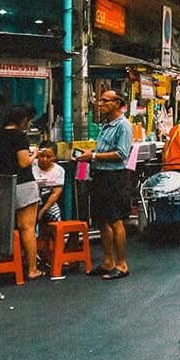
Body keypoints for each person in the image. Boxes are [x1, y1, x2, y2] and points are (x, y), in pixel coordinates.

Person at [76, 90, 133, 279]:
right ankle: (108, 261)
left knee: (116, 220)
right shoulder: (106, 125)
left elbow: (121, 154)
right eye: (100, 100)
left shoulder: (123, 126)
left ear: (117, 103)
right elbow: (104, 149)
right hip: (100, 174)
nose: (100, 104)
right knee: (102, 219)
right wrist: (91, 154)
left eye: (105, 100)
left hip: (115, 177)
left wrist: (92, 156)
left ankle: (121, 264)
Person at [0, 103, 45, 281]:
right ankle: (32, 269)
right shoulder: (20, 136)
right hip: (23, 184)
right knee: (27, 227)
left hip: (1, 184)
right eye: (28, 121)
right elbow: (24, 163)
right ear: (23, 120)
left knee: (3, 226)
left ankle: (0, 264)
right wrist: (35, 154)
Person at [32, 141, 65, 225]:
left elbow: (55, 194)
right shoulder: (31, 165)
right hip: (31, 201)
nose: (44, 159)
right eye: (42, 156)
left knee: (55, 217)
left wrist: (42, 211)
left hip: (48, 201)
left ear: (54, 157)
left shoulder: (59, 171)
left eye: (49, 157)